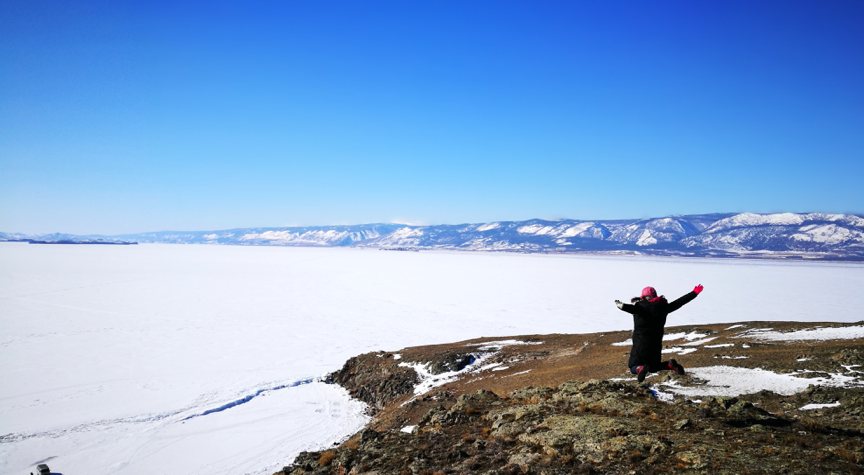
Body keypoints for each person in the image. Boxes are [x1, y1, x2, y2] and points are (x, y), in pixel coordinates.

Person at [615, 284, 704, 382]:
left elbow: (631, 309)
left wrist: (622, 306)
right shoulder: (663, 307)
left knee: (633, 366)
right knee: (653, 367)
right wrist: (694, 293)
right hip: (656, 343)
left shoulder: (641, 307)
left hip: (641, 342)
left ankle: (640, 369)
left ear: (643, 297)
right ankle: (670, 365)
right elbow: (678, 303)